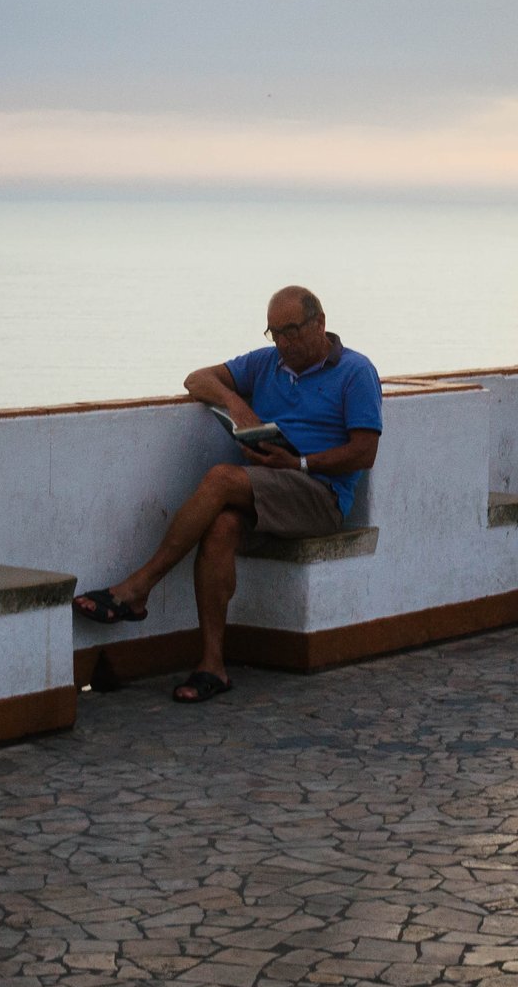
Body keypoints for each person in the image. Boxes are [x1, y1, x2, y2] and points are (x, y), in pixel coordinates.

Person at [71, 286, 381, 704]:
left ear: (319, 323)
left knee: (220, 478)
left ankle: (139, 588)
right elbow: (196, 379)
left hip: (319, 494)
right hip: (268, 487)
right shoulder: (266, 362)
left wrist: (300, 464)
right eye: (275, 333)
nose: (283, 343)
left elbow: (365, 452)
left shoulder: (355, 371)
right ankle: (212, 665)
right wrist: (238, 406)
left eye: (291, 331)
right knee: (221, 527)